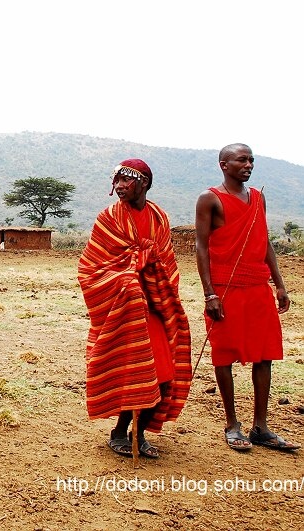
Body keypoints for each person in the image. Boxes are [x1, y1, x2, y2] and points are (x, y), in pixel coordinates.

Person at [78, 159, 192, 458]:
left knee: (161, 372)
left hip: (154, 306)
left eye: (125, 181)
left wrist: (155, 281)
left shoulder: (159, 217)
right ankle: (119, 431)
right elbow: (93, 267)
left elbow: (167, 262)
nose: (118, 187)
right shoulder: (109, 218)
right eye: (115, 181)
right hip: (125, 309)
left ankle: (138, 434)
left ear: (143, 183)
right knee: (133, 370)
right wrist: (129, 277)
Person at [195, 143, 299, 451]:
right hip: (225, 288)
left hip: (257, 286)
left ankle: (261, 426)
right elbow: (201, 247)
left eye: (251, 159)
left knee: (264, 353)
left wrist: (279, 284)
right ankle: (231, 423)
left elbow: (264, 240)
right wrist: (209, 292)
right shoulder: (209, 199)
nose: (248, 164)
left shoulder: (258, 198)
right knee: (224, 353)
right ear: (224, 165)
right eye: (242, 159)